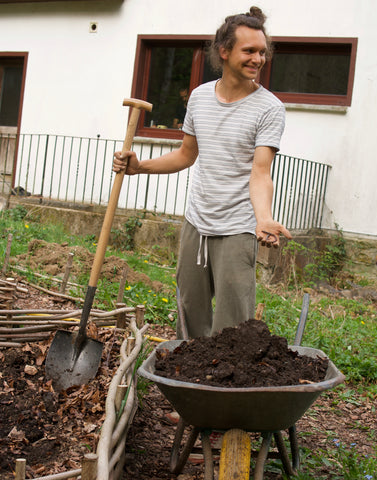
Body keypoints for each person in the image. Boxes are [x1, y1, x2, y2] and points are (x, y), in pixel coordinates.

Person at [113, 6, 292, 339]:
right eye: (249, 51)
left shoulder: (269, 108)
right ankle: (188, 387)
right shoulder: (198, 98)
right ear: (224, 52)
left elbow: (260, 172)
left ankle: (225, 389)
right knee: (189, 314)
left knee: (233, 325)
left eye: (262, 52)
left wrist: (263, 217)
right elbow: (186, 154)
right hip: (197, 221)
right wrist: (139, 168)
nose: (258, 59)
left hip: (237, 228)